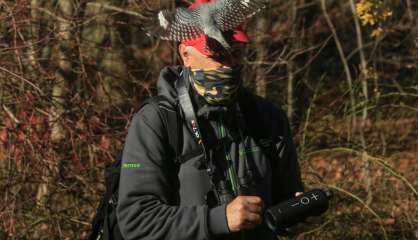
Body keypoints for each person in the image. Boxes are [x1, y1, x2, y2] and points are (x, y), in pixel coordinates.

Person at [116, 1, 305, 239]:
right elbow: (136, 221)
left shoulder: (268, 117)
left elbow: (283, 201)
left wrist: (296, 213)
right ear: (185, 55)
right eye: (216, 54)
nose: (228, 65)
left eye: (234, 53)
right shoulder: (156, 121)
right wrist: (218, 219)